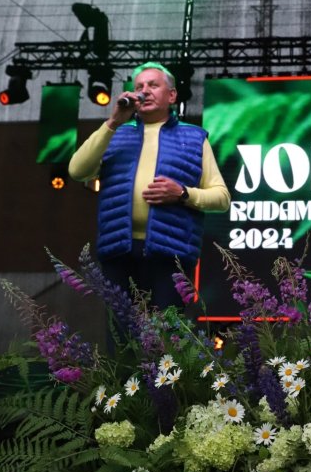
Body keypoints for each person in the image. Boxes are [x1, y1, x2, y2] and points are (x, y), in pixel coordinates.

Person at [68, 61, 230, 309]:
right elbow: (77, 171)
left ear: (172, 95)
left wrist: (183, 193)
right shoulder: (116, 133)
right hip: (118, 250)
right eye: (139, 87)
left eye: (153, 85)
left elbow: (221, 198)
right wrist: (113, 122)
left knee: (168, 328)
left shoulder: (193, 137)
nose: (144, 91)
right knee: (122, 328)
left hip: (171, 252)